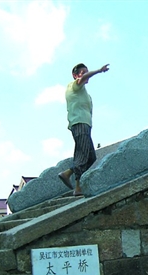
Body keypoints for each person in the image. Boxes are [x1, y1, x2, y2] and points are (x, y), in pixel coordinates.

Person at [58, 63, 109, 196]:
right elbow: (81, 80)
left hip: (85, 125)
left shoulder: (84, 93)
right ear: (75, 75)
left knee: (90, 156)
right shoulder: (73, 86)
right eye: (83, 73)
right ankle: (73, 181)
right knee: (82, 155)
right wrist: (99, 70)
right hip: (79, 124)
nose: (86, 75)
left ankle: (72, 179)